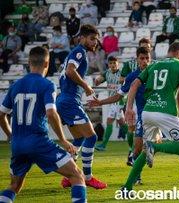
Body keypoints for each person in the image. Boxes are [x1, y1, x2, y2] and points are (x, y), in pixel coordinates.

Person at [89, 46, 179, 182]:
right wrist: (102, 102)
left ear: (150, 59)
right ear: (137, 59)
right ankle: (137, 176)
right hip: (145, 116)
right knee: (138, 147)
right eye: (142, 58)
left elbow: (174, 86)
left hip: (164, 113)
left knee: (178, 140)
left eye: (147, 58)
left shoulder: (155, 70)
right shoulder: (133, 76)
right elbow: (119, 95)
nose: (145, 61)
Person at [0, 46, 86, 203]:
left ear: (28, 62)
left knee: (14, 185)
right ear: (47, 64)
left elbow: (1, 115)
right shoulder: (47, 85)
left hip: (18, 144)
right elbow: (51, 113)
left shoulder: (15, 85)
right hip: (38, 142)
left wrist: (11, 135)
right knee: (77, 175)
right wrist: (63, 140)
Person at [121, 42, 179, 192]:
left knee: (143, 151)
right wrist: (178, 114)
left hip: (147, 112)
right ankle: (155, 147)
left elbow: (134, 84)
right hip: (166, 112)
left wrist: (129, 109)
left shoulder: (153, 65)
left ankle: (127, 187)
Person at [56, 24, 107, 189]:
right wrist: (86, 86)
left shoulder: (76, 52)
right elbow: (70, 71)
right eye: (92, 39)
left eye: (96, 40)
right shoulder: (79, 51)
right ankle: (87, 177)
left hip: (65, 100)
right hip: (69, 100)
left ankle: (69, 176)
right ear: (82, 38)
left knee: (79, 138)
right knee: (91, 137)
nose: (95, 42)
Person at [93, 56, 126, 151]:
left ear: (118, 64)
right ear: (108, 64)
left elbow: (127, 81)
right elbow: (99, 80)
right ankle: (134, 140)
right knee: (122, 123)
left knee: (109, 121)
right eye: (110, 63)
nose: (112, 65)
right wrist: (97, 80)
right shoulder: (107, 73)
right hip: (112, 101)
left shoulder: (122, 73)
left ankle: (103, 145)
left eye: (114, 63)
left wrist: (124, 80)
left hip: (119, 101)